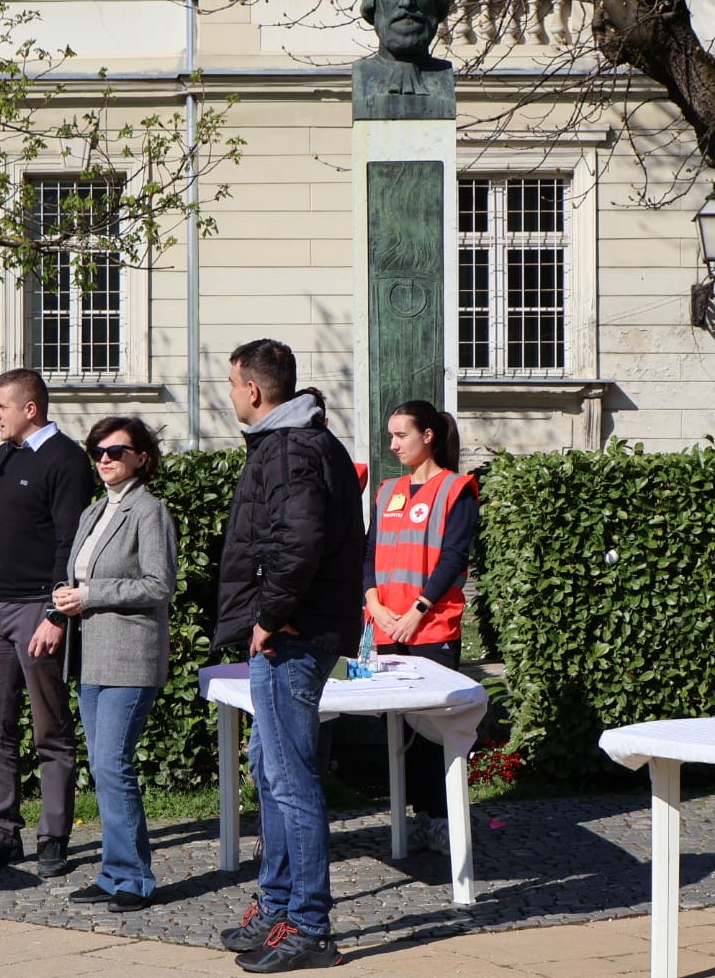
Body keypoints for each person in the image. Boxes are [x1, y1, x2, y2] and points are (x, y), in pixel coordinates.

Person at [214, 339, 364, 973]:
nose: (230, 395)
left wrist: (268, 617)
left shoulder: (290, 447)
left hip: (292, 635)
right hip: (295, 631)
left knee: (292, 781)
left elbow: (299, 541)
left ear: (253, 390)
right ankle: (277, 907)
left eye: (232, 384)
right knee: (273, 774)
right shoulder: (301, 441)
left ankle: (309, 926)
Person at [0, 367, 93, 877]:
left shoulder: (66, 461)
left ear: (29, 409)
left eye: (1, 407)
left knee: (50, 727)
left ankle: (53, 836)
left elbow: (70, 544)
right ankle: (2, 834)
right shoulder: (7, 455)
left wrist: (56, 614)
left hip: (38, 607)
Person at [52, 417, 177, 913]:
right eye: (97, 451)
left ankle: (135, 879)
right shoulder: (93, 511)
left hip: (130, 657)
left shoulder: (150, 511)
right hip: (91, 656)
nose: (105, 459)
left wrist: (90, 595)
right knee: (103, 769)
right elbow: (79, 576)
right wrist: (66, 597)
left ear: (141, 457)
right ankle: (113, 873)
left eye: (116, 451)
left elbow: (158, 584)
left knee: (112, 764)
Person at [363, 399, 479, 854]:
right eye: (390, 436)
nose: (393, 445)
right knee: (401, 733)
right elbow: (369, 553)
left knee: (435, 732)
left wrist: (419, 609)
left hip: (430, 629)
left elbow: (453, 558)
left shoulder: (456, 489)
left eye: (401, 435)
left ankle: (444, 818)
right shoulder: (388, 490)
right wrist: (373, 602)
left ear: (427, 436)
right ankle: (418, 816)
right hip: (387, 627)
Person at [354, 0, 453, 105]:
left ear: (437, 1)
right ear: (373, 1)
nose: (406, 2)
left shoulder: (444, 75)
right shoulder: (362, 76)